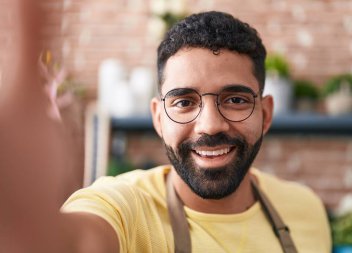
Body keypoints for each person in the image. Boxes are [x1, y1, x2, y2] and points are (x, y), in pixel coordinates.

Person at [0, 5, 330, 253]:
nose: (210, 125)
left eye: (235, 100)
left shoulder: (306, 210)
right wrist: (24, 212)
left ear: (266, 113)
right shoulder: (125, 210)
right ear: (159, 118)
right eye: (184, 102)